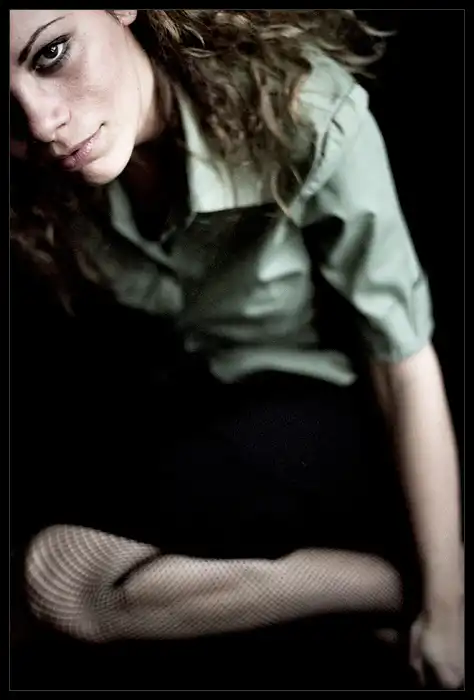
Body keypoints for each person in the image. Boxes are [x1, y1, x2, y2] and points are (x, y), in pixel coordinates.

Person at [10, 10, 463, 689]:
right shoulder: (32, 177)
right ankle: (378, 587)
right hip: (193, 401)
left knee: (55, 578)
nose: (40, 122)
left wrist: (446, 601)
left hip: (331, 408)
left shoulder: (302, 107)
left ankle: (399, 584)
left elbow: (403, 360)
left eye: (51, 54)